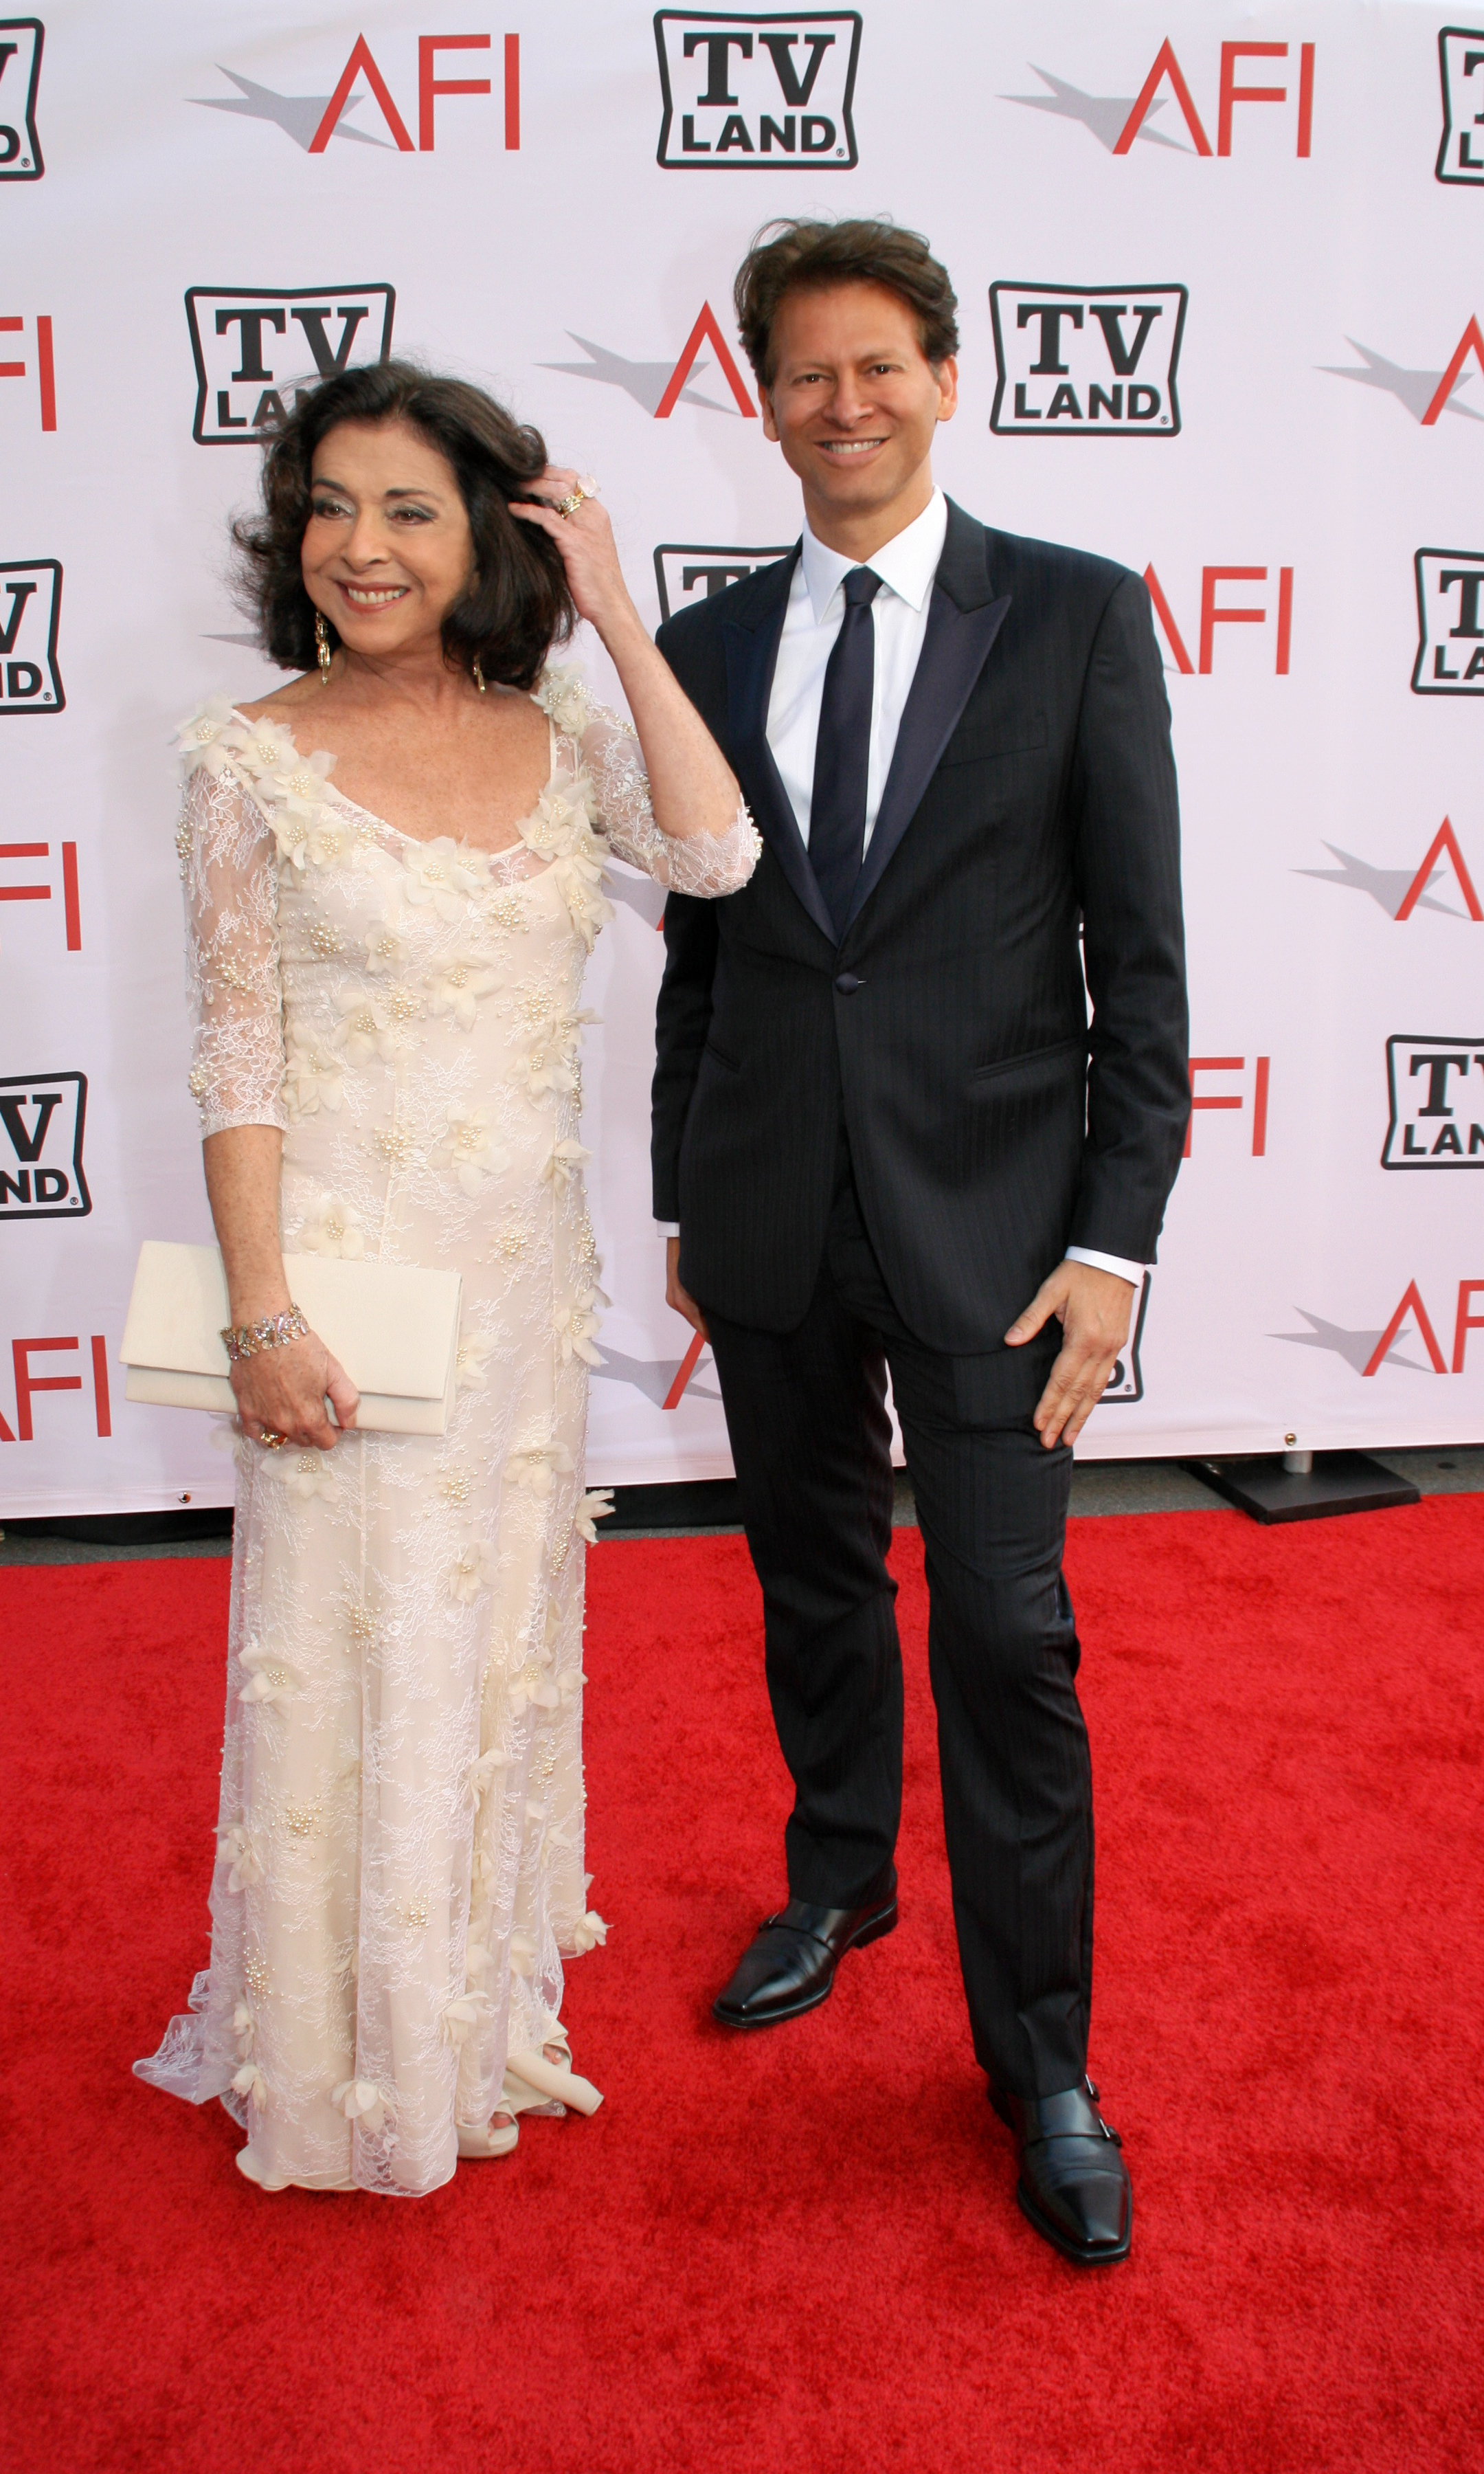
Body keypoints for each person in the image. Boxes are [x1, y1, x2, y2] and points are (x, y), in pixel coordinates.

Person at [137, 361, 758, 2196]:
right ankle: (342, 2070)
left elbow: (716, 849)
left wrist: (621, 615)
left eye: (409, 509)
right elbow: (235, 1059)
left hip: (516, 1299)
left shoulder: (561, 732)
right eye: (329, 507)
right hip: (345, 1292)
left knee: (483, 1648)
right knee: (352, 1656)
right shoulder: (244, 752)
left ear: (493, 530)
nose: (359, 547)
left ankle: (467, 2010)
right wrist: (262, 1316)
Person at [652, 222, 1189, 2266]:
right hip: (774, 1210)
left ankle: (1040, 2061)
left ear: (946, 378)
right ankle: (838, 1878)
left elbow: (1137, 965)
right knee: (806, 1584)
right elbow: (707, 945)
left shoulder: (1068, 616)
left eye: (879, 367)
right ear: (761, 396)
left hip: (1002, 1234)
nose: (843, 405)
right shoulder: (703, 648)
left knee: (1009, 1642)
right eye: (805, 373)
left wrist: (1116, 1244)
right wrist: (689, 1181)